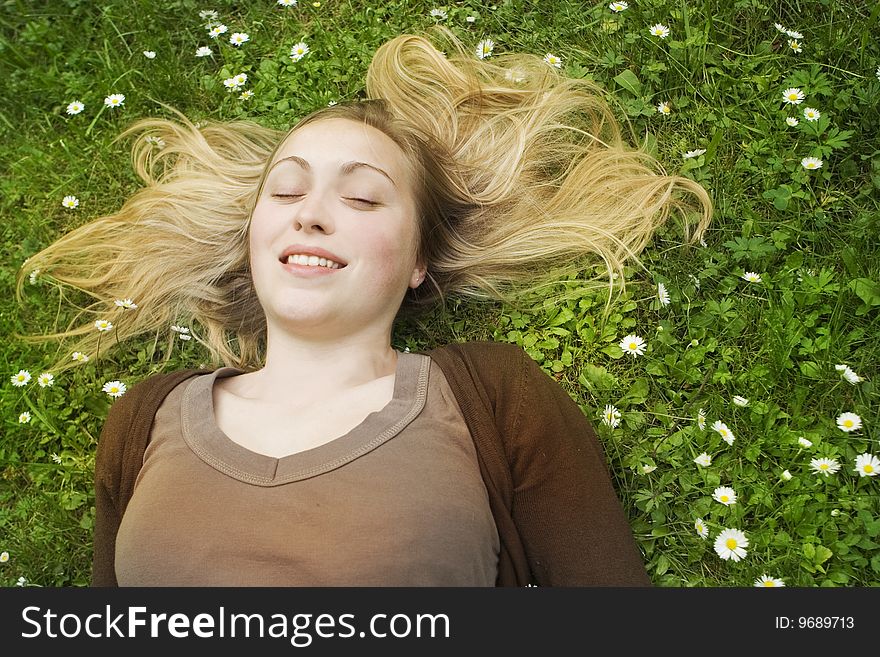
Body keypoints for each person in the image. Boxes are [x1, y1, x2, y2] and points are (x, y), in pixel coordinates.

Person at [15, 26, 711, 586]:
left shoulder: (494, 399)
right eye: (284, 192)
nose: (309, 214)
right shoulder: (142, 419)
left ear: (417, 261)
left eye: (362, 197)